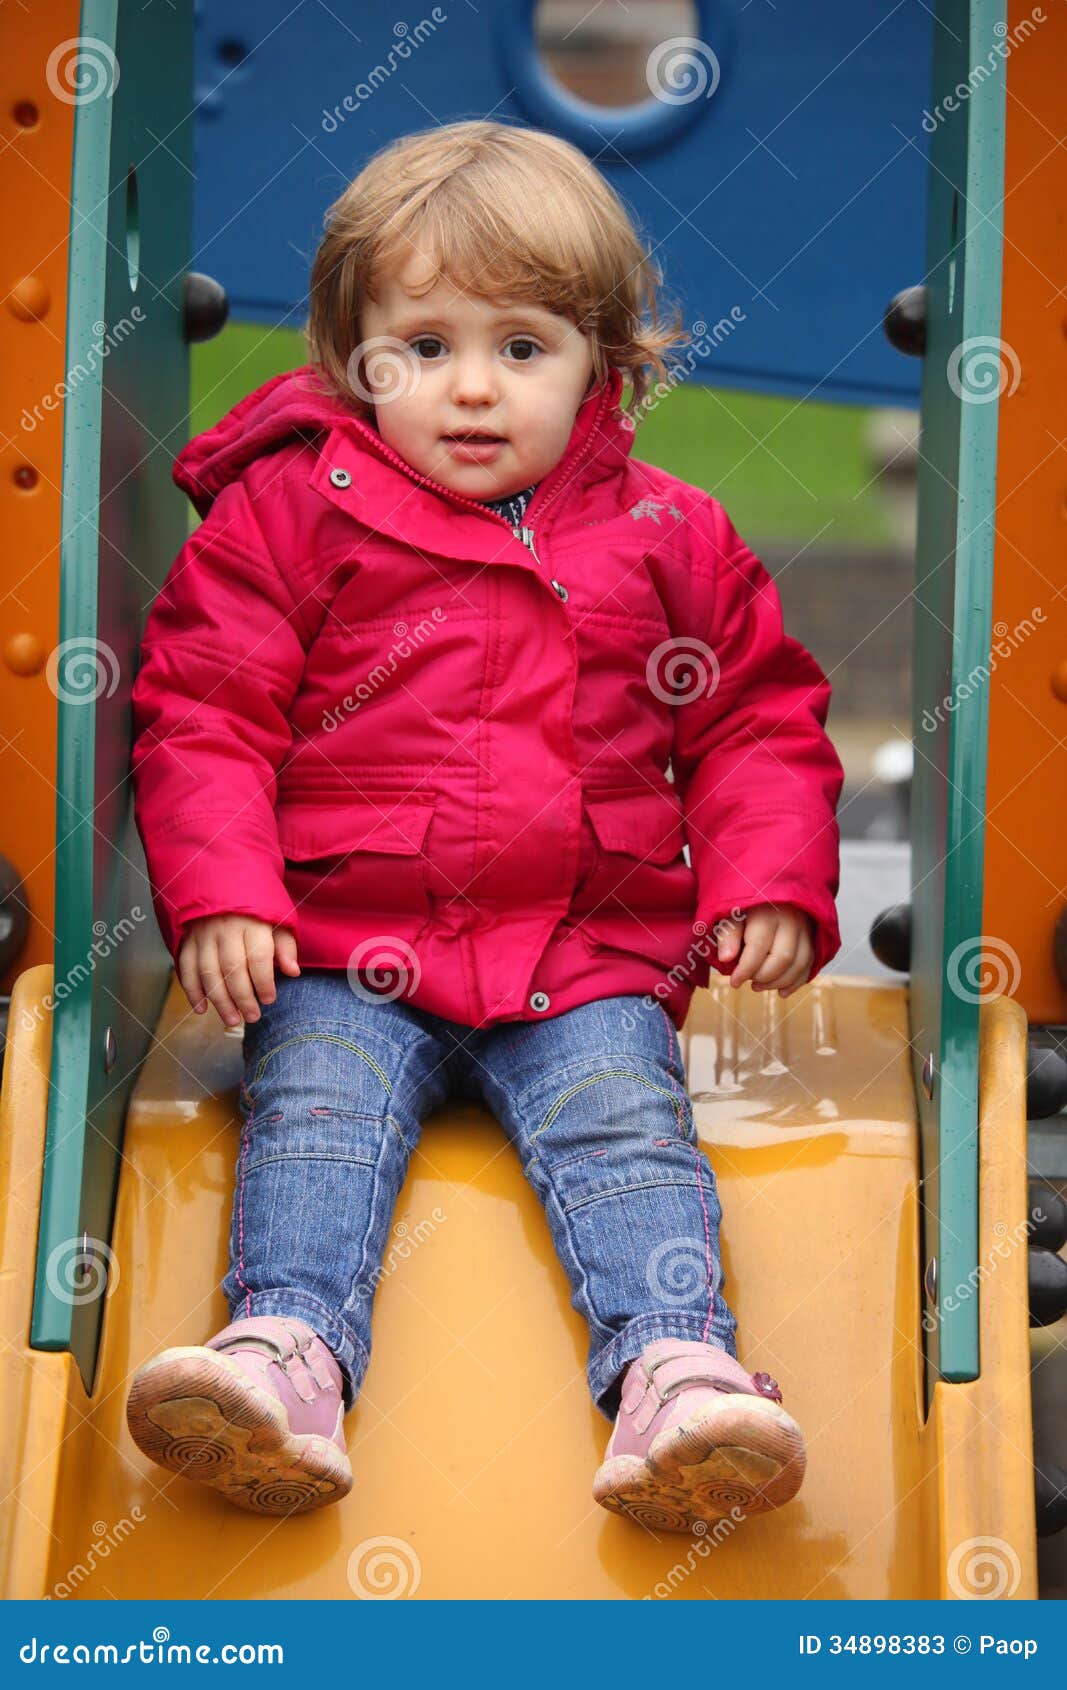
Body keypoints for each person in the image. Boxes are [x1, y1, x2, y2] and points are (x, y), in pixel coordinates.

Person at [124, 120, 843, 1529]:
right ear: (354, 358)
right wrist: (227, 891)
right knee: (317, 1124)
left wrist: (763, 876)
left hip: (577, 956)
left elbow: (754, 716)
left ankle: (679, 1378)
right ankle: (285, 1358)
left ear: (605, 367)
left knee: (628, 1133)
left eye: (522, 348)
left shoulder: (668, 535)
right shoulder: (287, 517)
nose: (470, 388)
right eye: (425, 345)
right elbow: (206, 709)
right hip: (342, 946)